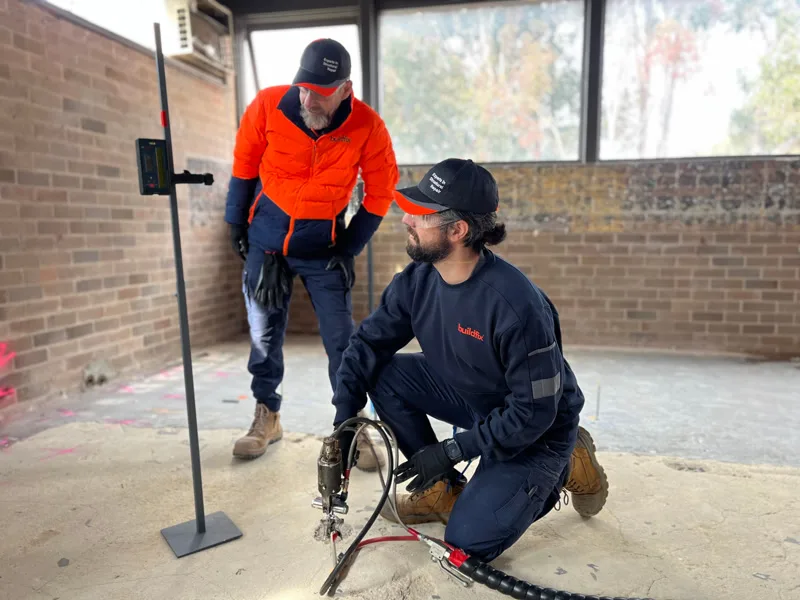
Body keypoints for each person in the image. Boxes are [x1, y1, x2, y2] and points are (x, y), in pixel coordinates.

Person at [330, 158, 609, 562]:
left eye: (421, 214)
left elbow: (533, 412)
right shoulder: (418, 279)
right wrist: (344, 418)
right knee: (384, 373)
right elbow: (366, 346)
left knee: (467, 543)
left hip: (537, 428)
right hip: (476, 398)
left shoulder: (516, 307)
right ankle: (442, 489)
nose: (407, 218)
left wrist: (452, 450)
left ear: (457, 230)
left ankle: (568, 465)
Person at [224, 38, 397, 468]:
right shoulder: (268, 105)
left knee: (342, 340)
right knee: (264, 336)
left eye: (320, 91)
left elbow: (380, 194)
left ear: (344, 88)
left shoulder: (368, 127)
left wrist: (350, 246)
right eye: (304, 86)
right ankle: (267, 415)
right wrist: (235, 223)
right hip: (266, 242)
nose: (308, 97)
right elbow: (244, 166)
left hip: (323, 247)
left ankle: (350, 425)